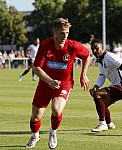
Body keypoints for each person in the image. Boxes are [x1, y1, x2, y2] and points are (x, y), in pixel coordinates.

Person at [25, 18, 91, 149]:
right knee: (35, 117)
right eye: (61, 32)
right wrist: (49, 81)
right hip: (45, 83)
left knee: (56, 109)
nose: (65, 35)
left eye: (66, 32)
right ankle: (35, 135)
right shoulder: (45, 45)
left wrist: (83, 74)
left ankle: (53, 132)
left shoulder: (73, 46)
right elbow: (36, 68)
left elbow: (87, 56)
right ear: (54, 32)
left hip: (64, 84)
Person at [89, 39, 122, 132]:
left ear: (103, 48)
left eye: (96, 48)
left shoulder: (110, 57)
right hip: (118, 87)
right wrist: (95, 86)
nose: (94, 51)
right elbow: (102, 76)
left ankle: (102, 123)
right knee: (101, 103)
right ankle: (109, 123)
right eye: (92, 49)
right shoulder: (101, 60)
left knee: (97, 94)